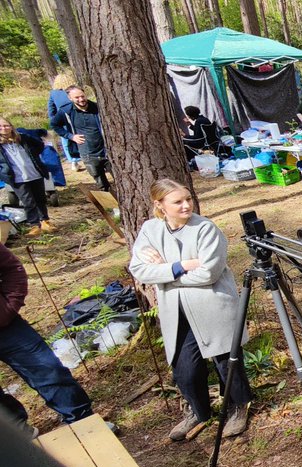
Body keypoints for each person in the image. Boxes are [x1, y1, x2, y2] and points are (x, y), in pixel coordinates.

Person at [128, 179, 252, 441]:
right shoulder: (150, 230)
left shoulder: (206, 229)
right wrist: (181, 266)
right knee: (185, 367)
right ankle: (197, 412)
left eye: (188, 199)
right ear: (159, 205)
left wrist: (163, 272)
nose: (186, 205)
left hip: (211, 304)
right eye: (177, 202)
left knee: (226, 361)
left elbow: (208, 273)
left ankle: (237, 407)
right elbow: (138, 269)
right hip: (176, 311)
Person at [0, 243, 95, 431]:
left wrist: (7, 308)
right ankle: (17, 433)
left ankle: (83, 422)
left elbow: (12, 269)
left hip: (6, 326)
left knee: (48, 369)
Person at [0, 117, 55, 236]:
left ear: (11, 126)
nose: (4, 129)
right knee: (28, 202)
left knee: (40, 199)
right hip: (17, 178)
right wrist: (3, 173)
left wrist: (33, 156)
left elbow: (39, 145)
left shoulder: (22, 138)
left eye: (6, 125)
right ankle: (34, 225)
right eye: (1, 127)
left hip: (34, 173)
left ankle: (45, 221)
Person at [50, 86, 111, 191]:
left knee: (120, 179)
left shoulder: (97, 107)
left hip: (107, 150)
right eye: (77, 97)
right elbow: (54, 125)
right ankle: (113, 205)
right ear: (70, 98)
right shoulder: (66, 111)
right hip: (88, 153)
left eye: (82, 96)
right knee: (102, 184)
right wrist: (71, 136)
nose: (81, 99)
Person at [46, 73, 82, 172]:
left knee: (66, 139)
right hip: (76, 116)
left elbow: (51, 108)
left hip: (63, 119)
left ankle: (73, 161)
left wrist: (55, 120)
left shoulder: (53, 93)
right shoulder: (73, 91)